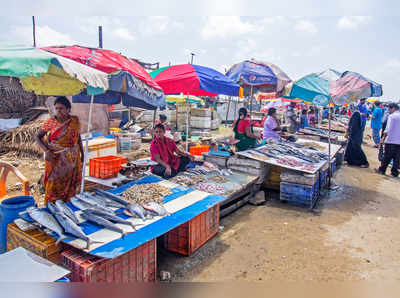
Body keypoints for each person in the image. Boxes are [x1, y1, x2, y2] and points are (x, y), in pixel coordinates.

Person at [35, 96, 84, 203]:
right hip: (55, 159)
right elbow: (37, 137)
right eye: (56, 108)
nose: (58, 111)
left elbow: (78, 137)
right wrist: (46, 151)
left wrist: (82, 154)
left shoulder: (74, 121)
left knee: (70, 184)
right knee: (53, 184)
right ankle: (52, 206)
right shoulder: (51, 122)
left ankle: (68, 205)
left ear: (68, 109)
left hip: (72, 159)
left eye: (61, 108)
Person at [375, 103, 400, 177]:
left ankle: (382, 170)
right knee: (397, 158)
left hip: (391, 140)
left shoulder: (392, 116)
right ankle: (394, 172)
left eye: (389, 109)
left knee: (387, 156)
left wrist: (382, 138)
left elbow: (387, 129)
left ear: (393, 108)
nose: (388, 111)